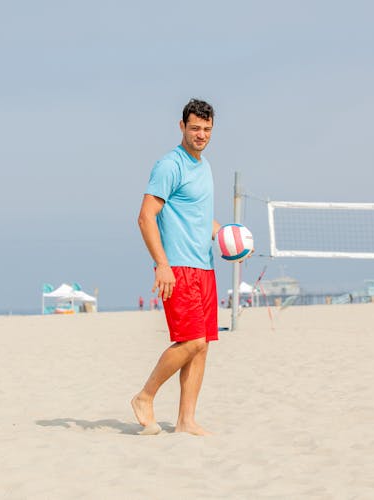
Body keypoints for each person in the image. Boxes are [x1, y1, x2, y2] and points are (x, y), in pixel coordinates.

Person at [131, 98, 221, 436]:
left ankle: (185, 420)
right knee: (192, 341)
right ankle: (145, 395)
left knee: (203, 344)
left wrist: (227, 236)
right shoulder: (170, 165)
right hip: (178, 267)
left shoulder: (205, 166)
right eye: (195, 128)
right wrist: (162, 264)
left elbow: (199, 218)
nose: (201, 135)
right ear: (181, 126)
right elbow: (145, 216)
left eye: (207, 129)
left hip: (205, 266)